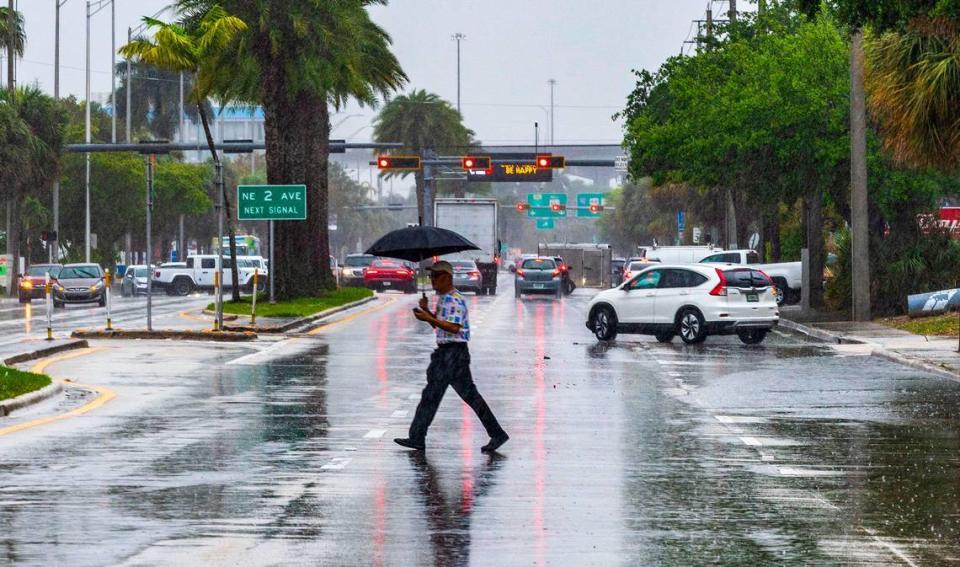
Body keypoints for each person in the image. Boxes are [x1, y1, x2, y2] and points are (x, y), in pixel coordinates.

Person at [394, 260, 509, 453]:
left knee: (435, 396)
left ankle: (417, 437)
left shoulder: (454, 299)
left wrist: (429, 317)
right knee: (453, 396)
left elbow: (454, 328)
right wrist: (427, 311)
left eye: (435, 277)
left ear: (447, 277)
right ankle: (496, 433)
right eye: (431, 277)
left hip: (453, 355)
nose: (432, 280)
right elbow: (441, 327)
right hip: (447, 353)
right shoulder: (444, 299)